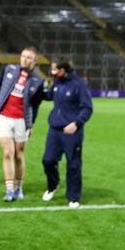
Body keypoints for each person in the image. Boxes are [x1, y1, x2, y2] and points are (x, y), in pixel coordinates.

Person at [0, 46, 44, 201]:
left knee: (19, 155)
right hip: (4, 118)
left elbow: (36, 105)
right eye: (23, 56)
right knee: (7, 153)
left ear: (35, 61)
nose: (24, 59)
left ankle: (19, 187)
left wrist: (31, 124)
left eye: (28, 57)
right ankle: (9, 190)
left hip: (22, 121)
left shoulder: (38, 80)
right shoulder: (9, 69)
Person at [40, 57, 93, 208]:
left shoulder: (78, 84)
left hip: (72, 131)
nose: (52, 72)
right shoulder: (57, 82)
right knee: (48, 160)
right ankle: (53, 185)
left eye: (55, 69)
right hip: (55, 130)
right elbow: (49, 95)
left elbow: (87, 108)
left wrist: (76, 123)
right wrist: (40, 89)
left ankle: (73, 197)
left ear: (63, 70)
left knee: (73, 165)